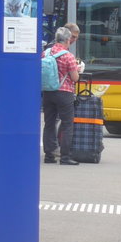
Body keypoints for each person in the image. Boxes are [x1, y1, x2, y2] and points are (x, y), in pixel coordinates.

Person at [42, 26, 82, 165]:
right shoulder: (68, 56)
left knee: (49, 123)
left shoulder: (46, 53)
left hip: (48, 92)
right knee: (67, 125)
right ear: (67, 40)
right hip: (64, 93)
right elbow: (75, 77)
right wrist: (78, 69)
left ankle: (49, 156)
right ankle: (65, 157)